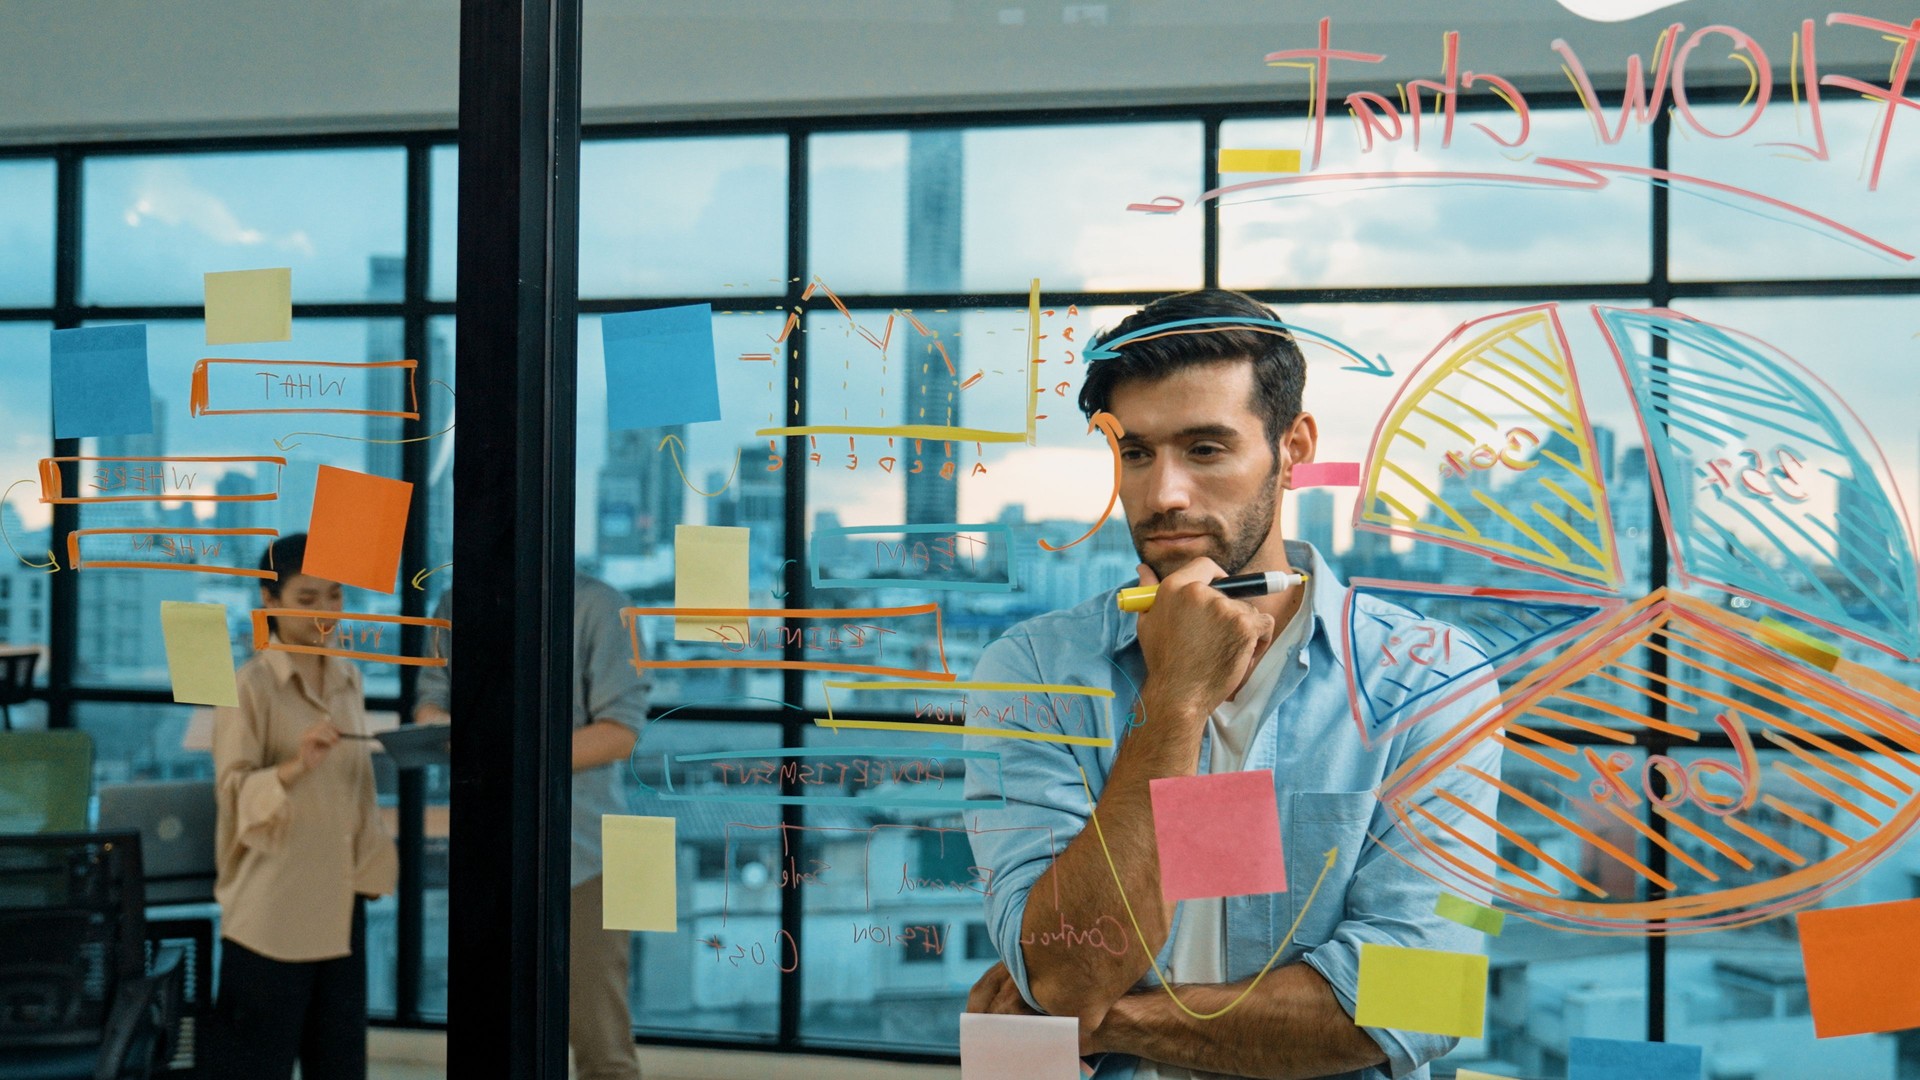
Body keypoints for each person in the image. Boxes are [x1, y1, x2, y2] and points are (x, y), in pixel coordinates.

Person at [961, 290, 1502, 1080]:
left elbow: (1422, 997)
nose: (1163, 495)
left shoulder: (1427, 678)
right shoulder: (1038, 668)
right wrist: (1176, 703)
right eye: (1135, 453)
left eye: (1206, 450)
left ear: (1294, 448)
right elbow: (1068, 976)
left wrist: (1111, 1023)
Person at [415, 572, 651, 1080]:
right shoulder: (456, 602)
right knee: (490, 1036)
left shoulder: (605, 605)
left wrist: (507, 757)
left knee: (601, 1043)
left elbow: (621, 734)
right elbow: (431, 698)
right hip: (488, 850)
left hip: (586, 852)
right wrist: (444, 728)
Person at [209, 533, 397, 1080]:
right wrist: (296, 765)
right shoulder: (249, 686)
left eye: (334, 597)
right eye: (307, 599)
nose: (325, 613)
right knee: (255, 1067)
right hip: (273, 911)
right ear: (270, 602)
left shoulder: (347, 677)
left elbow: (354, 785)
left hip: (340, 900)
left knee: (338, 1067)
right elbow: (233, 793)